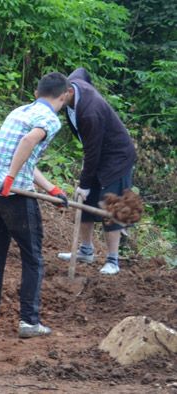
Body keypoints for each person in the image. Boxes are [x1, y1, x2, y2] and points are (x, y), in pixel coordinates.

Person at [0, 72, 71, 338]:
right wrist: (10, 178)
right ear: (63, 96)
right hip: (14, 194)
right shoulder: (50, 119)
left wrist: (52, 189)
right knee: (33, 258)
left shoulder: (19, 112)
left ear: (36, 94)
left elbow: (26, 159)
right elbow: (27, 142)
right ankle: (29, 322)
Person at [57, 68, 137, 275]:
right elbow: (82, 71)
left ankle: (113, 260)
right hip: (98, 152)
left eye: (59, 98)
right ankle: (85, 251)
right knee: (86, 202)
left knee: (111, 204)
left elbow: (92, 151)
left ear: (70, 92)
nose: (57, 103)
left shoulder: (90, 111)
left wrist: (84, 184)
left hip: (117, 156)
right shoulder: (72, 84)